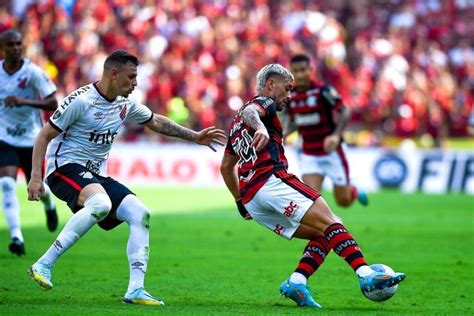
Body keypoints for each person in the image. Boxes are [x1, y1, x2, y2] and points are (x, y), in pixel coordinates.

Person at [27, 50, 226, 306]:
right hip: (64, 168)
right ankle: (43, 264)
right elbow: (44, 135)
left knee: (139, 213)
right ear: (113, 73)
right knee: (100, 204)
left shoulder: (125, 103)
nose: (135, 83)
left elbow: (155, 121)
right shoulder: (80, 100)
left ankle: (136, 289)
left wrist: (195, 136)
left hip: (96, 174)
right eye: (131, 77)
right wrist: (35, 178)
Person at [220, 63, 405, 308]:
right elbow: (251, 113)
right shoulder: (263, 103)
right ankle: (365, 274)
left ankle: (296, 282)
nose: (289, 96)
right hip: (272, 181)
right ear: (271, 84)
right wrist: (262, 127)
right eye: (286, 89)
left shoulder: (235, 125)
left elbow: (225, 166)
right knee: (333, 223)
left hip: (253, 200)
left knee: (324, 233)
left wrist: (239, 202)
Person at [0, 29, 58, 256]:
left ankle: (49, 206)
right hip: (4, 138)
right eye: (10, 45)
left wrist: (23, 101)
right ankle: (16, 237)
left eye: (18, 44)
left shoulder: (33, 72)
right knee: (6, 184)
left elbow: (54, 102)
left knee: (37, 187)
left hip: (32, 139)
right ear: (2, 48)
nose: (15, 48)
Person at [284, 54, 368, 208]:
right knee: (311, 200)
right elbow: (295, 121)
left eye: (303, 70)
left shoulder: (323, 91)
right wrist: (284, 133)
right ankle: (326, 229)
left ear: (311, 70)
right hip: (309, 154)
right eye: (296, 71)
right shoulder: (290, 96)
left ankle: (353, 191)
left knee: (343, 202)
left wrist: (336, 135)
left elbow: (344, 111)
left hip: (332, 152)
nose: (300, 74)